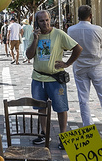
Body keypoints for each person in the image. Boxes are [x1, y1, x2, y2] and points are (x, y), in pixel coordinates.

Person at [26, 10, 82, 147]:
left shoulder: (59, 34)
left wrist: (67, 63)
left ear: (50, 20)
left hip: (55, 79)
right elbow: (29, 55)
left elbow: (78, 48)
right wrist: (35, 39)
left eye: (47, 20)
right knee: (40, 107)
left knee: (61, 108)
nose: (45, 23)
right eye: (41, 21)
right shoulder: (35, 35)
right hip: (38, 78)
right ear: (36, 23)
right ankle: (44, 133)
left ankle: (63, 136)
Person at [66, 6, 102, 135]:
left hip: (79, 67)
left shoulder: (71, 30)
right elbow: (101, 47)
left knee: (83, 97)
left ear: (78, 15)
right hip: (96, 66)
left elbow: (70, 48)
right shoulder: (97, 29)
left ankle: (87, 125)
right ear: (90, 15)